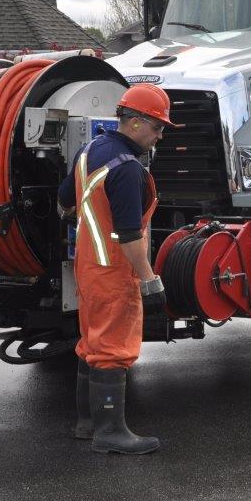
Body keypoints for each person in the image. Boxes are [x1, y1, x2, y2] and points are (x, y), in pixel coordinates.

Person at [58, 83, 175, 455]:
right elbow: (128, 237)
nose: (159, 137)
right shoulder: (126, 169)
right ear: (136, 123)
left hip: (89, 266)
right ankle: (110, 432)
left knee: (91, 341)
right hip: (114, 269)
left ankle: (87, 422)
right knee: (112, 347)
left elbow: (64, 203)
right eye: (157, 127)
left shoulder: (89, 151)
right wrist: (148, 279)